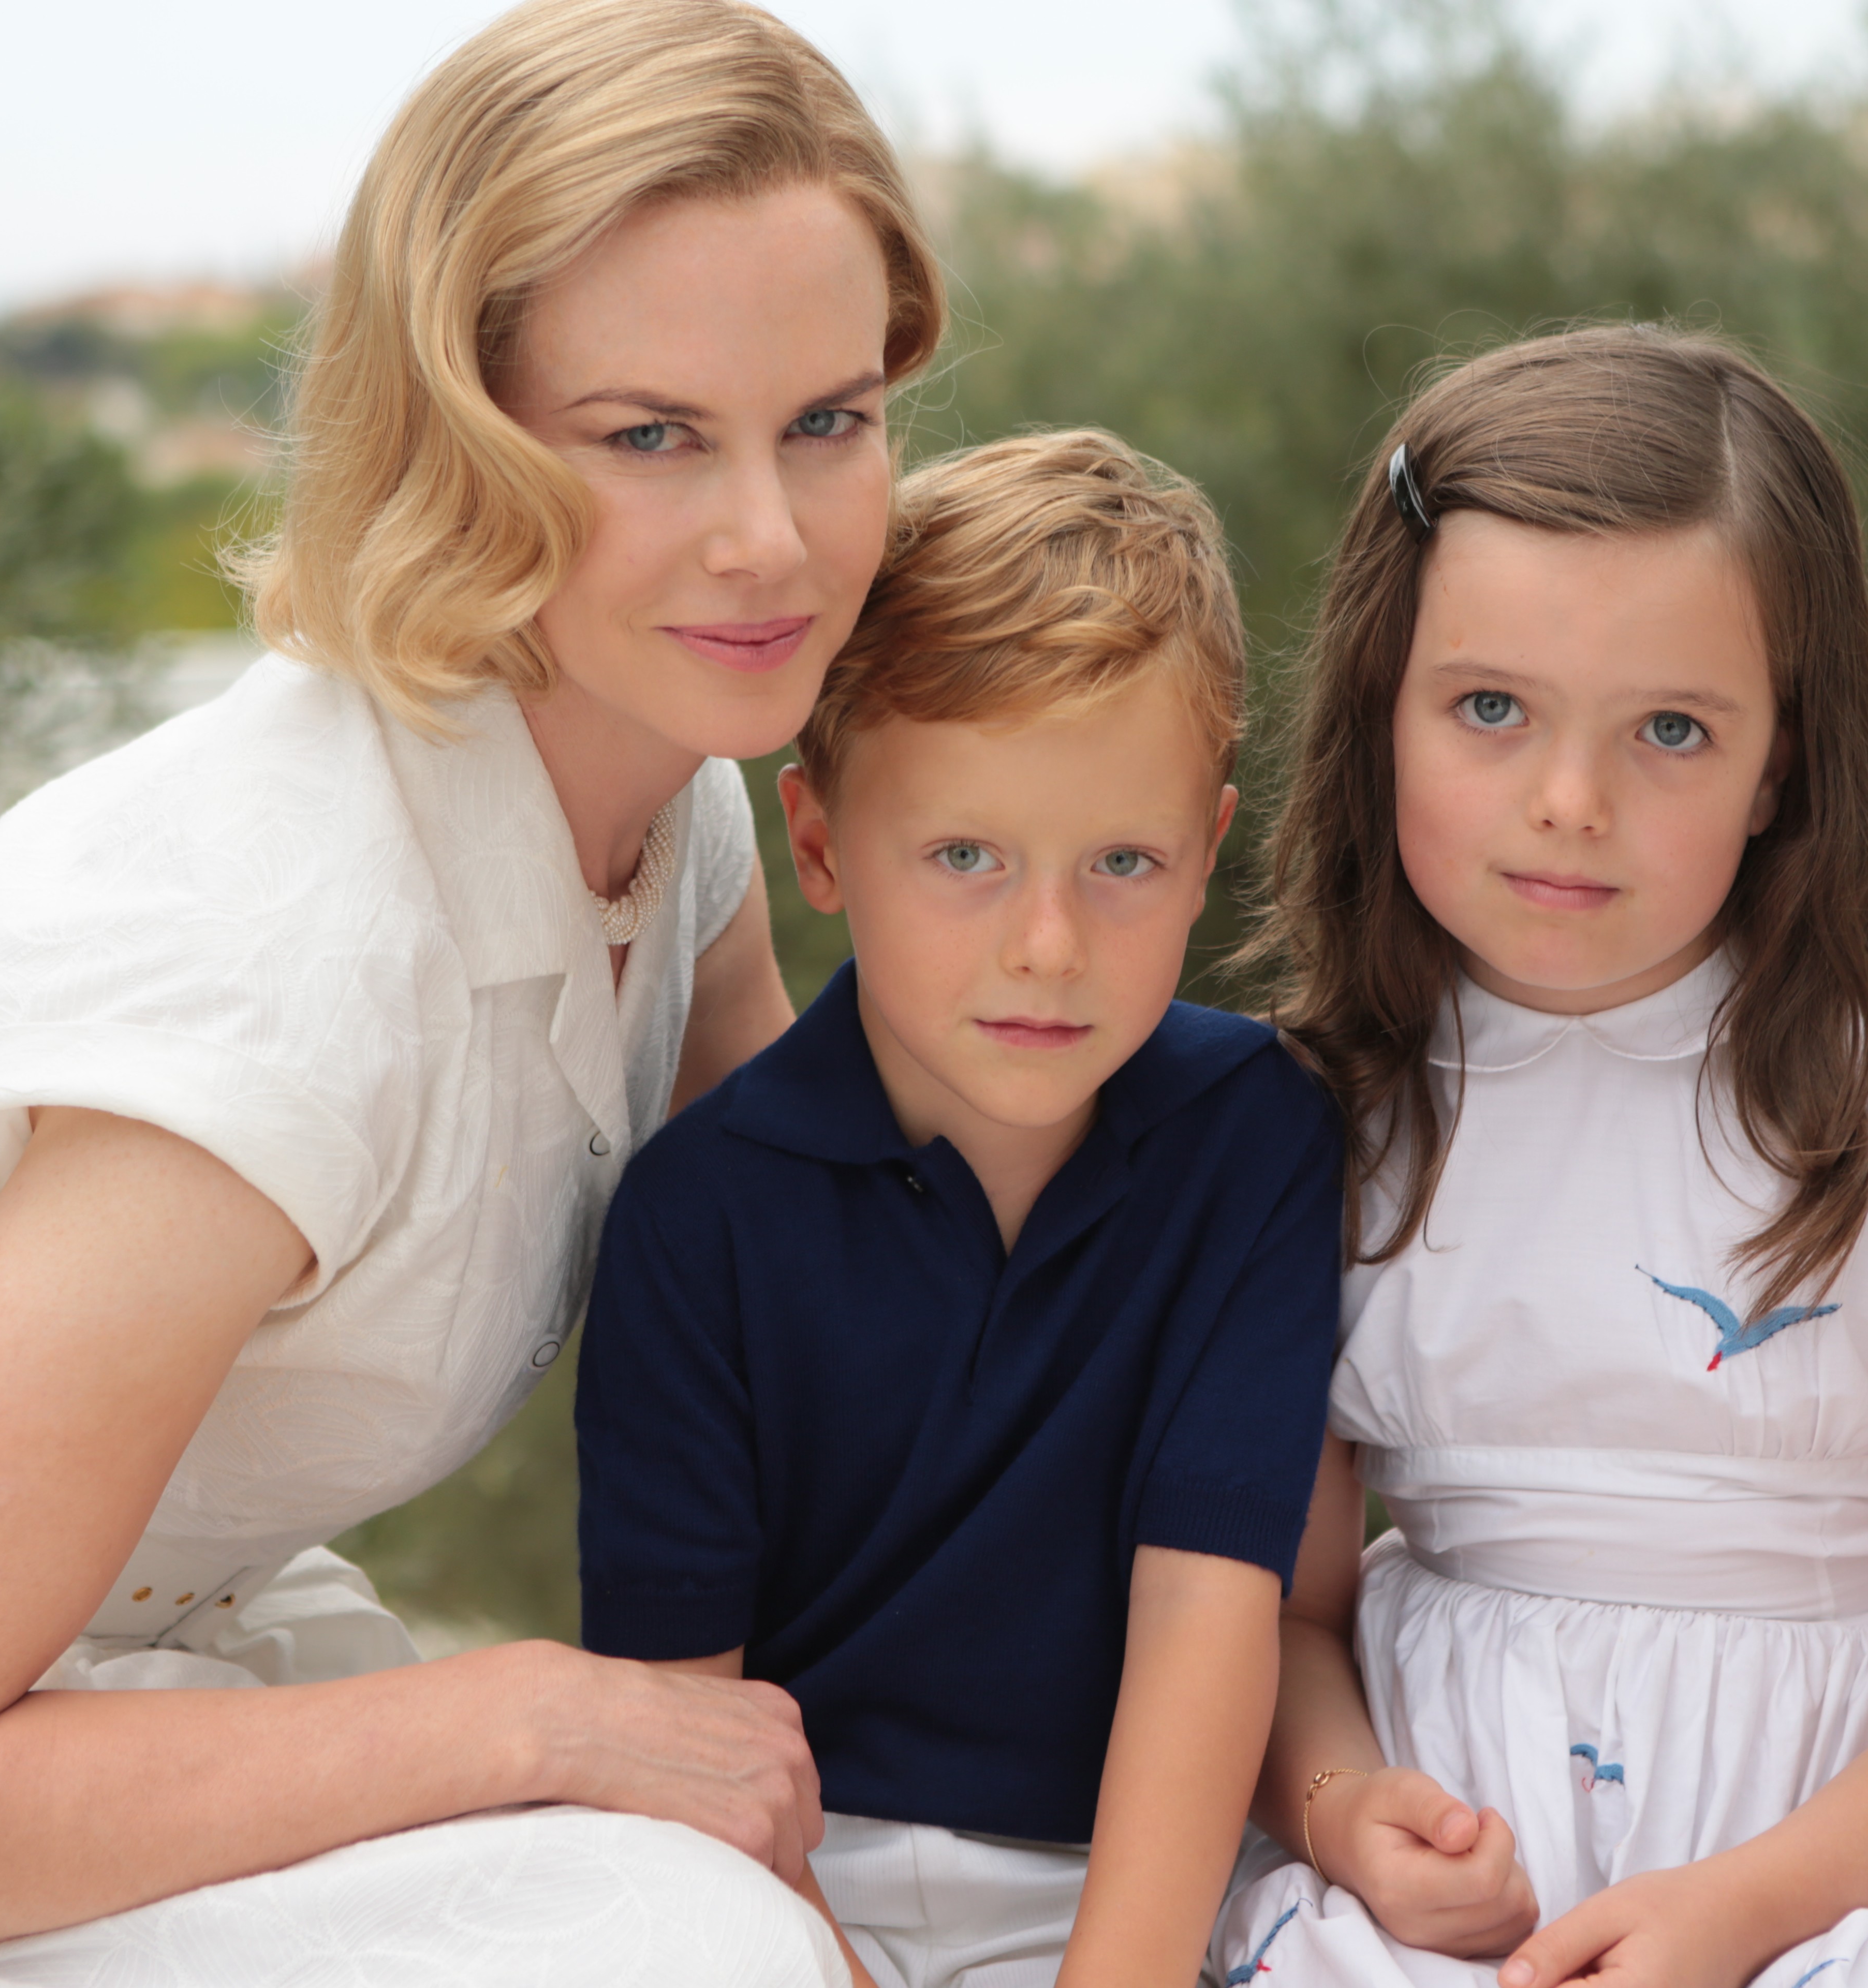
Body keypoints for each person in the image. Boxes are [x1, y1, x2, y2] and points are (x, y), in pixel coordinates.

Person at [0, 3, 946, 1981]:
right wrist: (534, 1715)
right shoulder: (275, 956)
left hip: (113, 1666)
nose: (771, 540)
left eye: (829, 422)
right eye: (651, 437)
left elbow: (803, 1328)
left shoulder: (681, 809)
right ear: (460, 439)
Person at [1208, 328, 1868, 1988]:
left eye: (1671, 730)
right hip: (1477, 1884)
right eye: (1491, 708)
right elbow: (1280, 1613)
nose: (1570, 800)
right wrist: (1348, 1813)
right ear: (1379, 712)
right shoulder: (1308, 1128)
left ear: (1783, 756)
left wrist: (1745, 1906)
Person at [573, 431, 1346, 1988]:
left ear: (1209, 850)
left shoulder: (1258, 1138)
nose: (1048, 944)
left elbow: (1210, 1616)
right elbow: (681, 1729)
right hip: (782, 1881)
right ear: (817, 844)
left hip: (1138, 1881)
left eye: (1123, 861)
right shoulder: (695, 1218)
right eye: (966, 856)